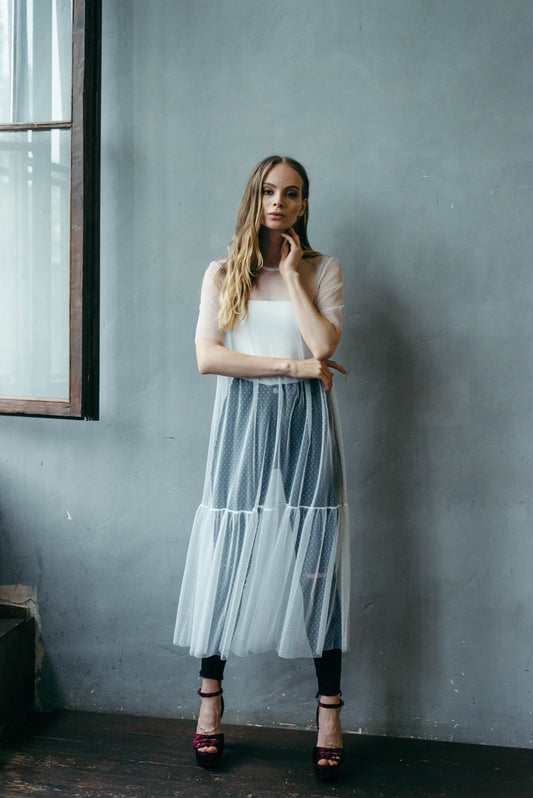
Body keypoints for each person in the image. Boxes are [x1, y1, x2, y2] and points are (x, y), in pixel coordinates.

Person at [174, 155, 350, 780]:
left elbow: (325, 345)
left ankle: (329, 713)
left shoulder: (322, 269)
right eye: (269, 191)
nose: (279, 201)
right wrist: (293, 368)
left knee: (315, 561)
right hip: (244, 419)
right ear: (255, 197)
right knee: (230, 550)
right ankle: (209, 705)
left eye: (293, 194)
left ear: (304, 204)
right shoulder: (222, 273)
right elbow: (208, 358)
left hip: (306, 424)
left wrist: (292, 278)